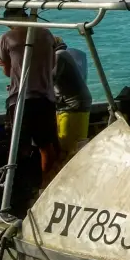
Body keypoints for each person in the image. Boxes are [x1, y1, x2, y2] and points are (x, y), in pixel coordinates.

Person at [0, 7, 58, 212]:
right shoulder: (47, 34)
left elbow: (7, 71)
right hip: (46, 97)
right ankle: (46, 185)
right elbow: (52, 63)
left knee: (19, 147)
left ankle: (19, 188)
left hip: (20, 98)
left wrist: (3, 64)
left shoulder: (6, 38)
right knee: (46, 145)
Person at [52, 36, 92, 167]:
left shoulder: (59, 55)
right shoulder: (64, 54)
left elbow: (49, 79)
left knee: (70, 147)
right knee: (75, 145)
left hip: (72, 106)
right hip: (73, 103)